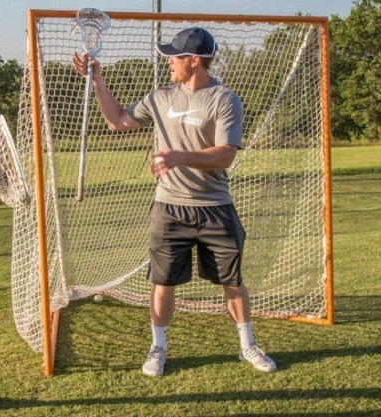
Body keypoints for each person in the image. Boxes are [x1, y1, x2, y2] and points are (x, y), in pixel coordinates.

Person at [72, 27, 277, 377]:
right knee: (162, 283)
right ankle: (158, 348)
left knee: (232, 281)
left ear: (194, 60)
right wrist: (98, 82)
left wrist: (179, 156)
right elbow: (118, 120)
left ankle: (248, 346)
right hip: (169, 208)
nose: (168, 61)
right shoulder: (160, 96)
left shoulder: (225, 99)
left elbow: (225, 155)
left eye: (174, 56)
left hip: (215, 208)